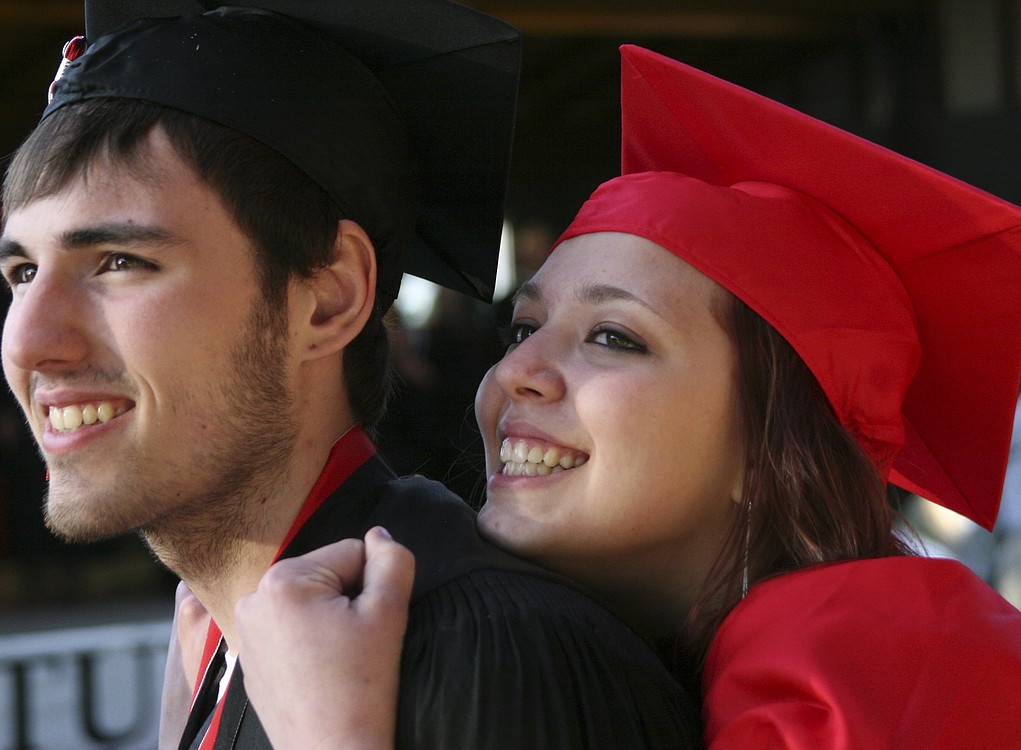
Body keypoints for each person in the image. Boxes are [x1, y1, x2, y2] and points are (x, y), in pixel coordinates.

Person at [229, 45, 1021, 749]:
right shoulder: (646, 657)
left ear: (774, 442)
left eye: (614, 336)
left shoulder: (846, 660)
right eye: (521, 328)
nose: (515, 373)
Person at [0, 4, 700, 749]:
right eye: (22, 271)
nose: (32, 342)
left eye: (120, 262)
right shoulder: (232, 654)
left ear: (328, 299)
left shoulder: (493, 655)